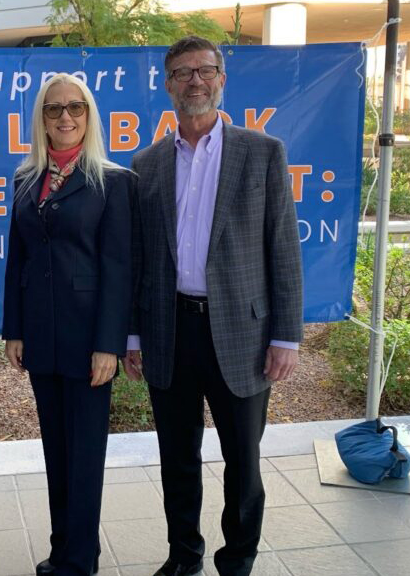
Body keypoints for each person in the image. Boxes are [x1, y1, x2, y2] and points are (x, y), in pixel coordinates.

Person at [123, 36, 304, 576]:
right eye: (182, 73)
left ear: (222, 78)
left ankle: (238, 560)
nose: (194, 81)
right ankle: (185, 558)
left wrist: (285, 336)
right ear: (167, 84)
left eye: (204, 70)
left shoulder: (262, 152)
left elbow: (284, 248)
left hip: (243, 335)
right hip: (169, 331)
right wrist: (133, 337)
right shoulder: (146, 163)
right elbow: (140, 261)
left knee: (242, 462)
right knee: (177, 460)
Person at [3, 73, 131, 576]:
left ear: (89, 115)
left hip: (87, 342)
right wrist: (14, 330)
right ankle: (63, 552)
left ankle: (80, 562)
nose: (65, 117)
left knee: (84, 457)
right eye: (54, 109)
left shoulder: (112, 181)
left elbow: (118, 269)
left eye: (75, 108)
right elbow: (18, 261)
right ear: (41, 117)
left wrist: (109, 345)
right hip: (40, 336)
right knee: (56, 452)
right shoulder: (25, 180)